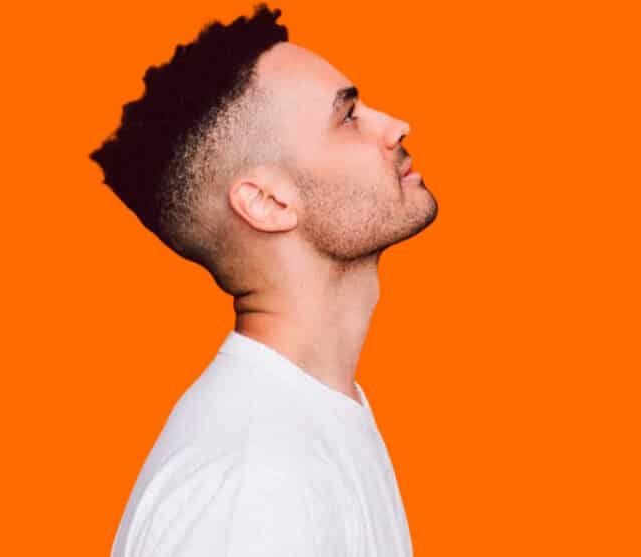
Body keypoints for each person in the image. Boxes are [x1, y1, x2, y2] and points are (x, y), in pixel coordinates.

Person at [89, 3, 437, 555]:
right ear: (268, 202)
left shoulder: (311, 420)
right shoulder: (256, 486)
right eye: (347, 117)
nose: (396, 126)